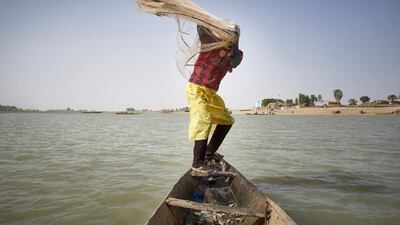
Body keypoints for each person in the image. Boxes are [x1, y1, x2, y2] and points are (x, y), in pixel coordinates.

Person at [185, 25, 243, 174]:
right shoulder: (209, 41)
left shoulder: (236, 54)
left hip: (211, 94)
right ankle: (197, 163)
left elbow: (235, 63)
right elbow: (200, 26)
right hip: (196, 90)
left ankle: (209, 152)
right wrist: (218, 26)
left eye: (233, 37)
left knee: (227, 120)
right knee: (202, 120)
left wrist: (234, 47)